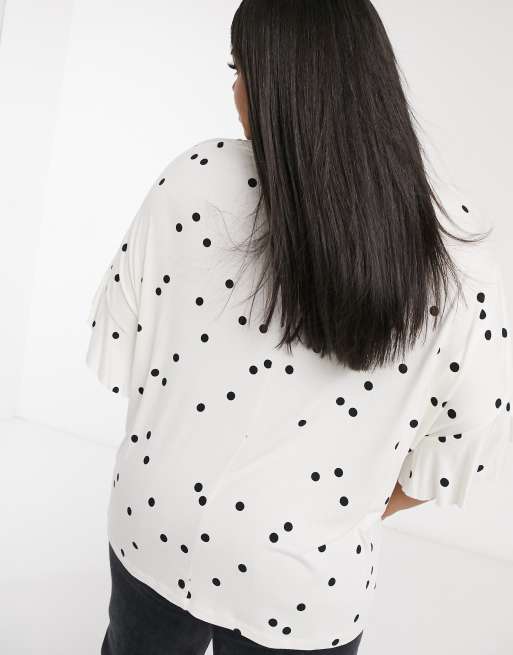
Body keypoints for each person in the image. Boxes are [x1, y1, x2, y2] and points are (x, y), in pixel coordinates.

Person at [86, 1, 512, 653]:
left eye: (243, 69)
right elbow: (463, 440)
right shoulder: (455, 254)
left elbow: (123, 348)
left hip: (153, 527)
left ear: (288, 87)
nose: (235, 91)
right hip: (305, 583)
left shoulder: (194, 179)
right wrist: (333, 507)